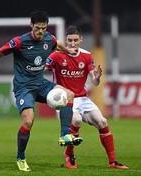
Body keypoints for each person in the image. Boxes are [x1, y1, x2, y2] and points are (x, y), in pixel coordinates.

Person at [0, 11, 77, 172]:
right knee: (28, 121)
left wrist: (69, 52)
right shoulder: (19, 42)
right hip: (24, 88)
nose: (41, 31)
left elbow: (58, 44)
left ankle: (64, 135)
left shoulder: (49, 38)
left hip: (40, 84)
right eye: (38, 28)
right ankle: (21, 157)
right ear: (31, 25)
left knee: (69, 94)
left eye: (44, 28)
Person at [45, 25, 129, 170]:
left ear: (80, 40)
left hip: (83, 99)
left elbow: (95, 82)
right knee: (76, 119)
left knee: (102, 122)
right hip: (65, 100)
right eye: (69, 40)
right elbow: (42, 70)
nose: (72, 43)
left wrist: (97, 77)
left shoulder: (87, 56)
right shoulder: (56, 55)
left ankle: (113, 162)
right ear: (65, 41)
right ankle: (69, 155)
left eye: (75, 40)